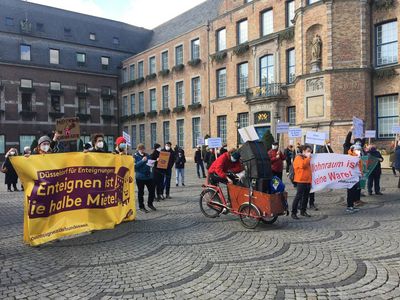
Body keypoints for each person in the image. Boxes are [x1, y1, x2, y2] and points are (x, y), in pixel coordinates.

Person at [291, 145, 313, 219]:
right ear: (303, 151)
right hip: (300, 180)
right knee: (298, 196)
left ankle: (303, 211)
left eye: (310, 151)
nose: (309, 153)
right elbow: (302, 165)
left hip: (307, 180)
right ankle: (293, 212)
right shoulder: (298, 158)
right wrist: (308, 158)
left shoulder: (307, 158)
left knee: (306, 197)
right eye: (308, 151)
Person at [134, 144, 156, 212]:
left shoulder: (147, 155)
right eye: (141, 149)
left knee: (152, 191)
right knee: (141, 192)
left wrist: (152, 164)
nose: (142, 150)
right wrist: (142, 161)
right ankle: (141, 206)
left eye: (143, 149)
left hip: (148, 176)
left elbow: (150, 162)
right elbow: (135, 167)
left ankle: (150, 203)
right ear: (138, 149)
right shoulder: (135, 156)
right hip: (140, 177)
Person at [346, 144, 363, 213]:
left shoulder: (357, 156)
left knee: (354, 192)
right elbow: (350, 166)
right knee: (350, 192)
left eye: (359, 150)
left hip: (356, 176)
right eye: (357, 150)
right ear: (353, 150)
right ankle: (349, 207)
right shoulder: (350, 157)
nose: (359, 151)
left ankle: (352, 205)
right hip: (351, 178)